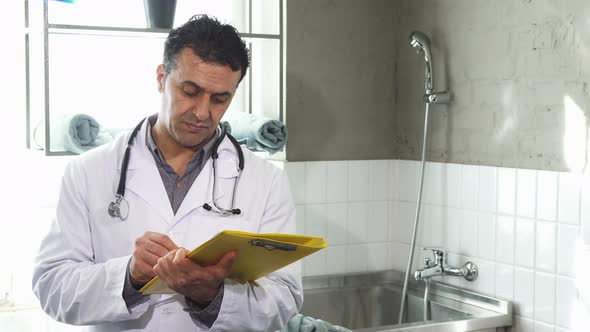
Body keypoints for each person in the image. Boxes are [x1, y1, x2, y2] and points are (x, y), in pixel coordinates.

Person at [32, 14, 302, 332]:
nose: (203, 112)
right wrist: (130, 276)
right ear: (161, 78)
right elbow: (52, 287)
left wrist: (212, 295)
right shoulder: (88, 172)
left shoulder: (266, 181)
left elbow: (285, 299)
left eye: (220, 99)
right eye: (190, 91)